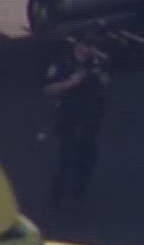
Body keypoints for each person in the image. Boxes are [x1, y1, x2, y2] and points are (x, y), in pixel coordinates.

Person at [43, 34, 108, 211]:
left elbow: (105, 84)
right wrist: (70, 82)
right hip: (69, 115)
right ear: (78, 45)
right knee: (66, 157)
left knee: (87, 156)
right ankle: (56, 197)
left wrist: (102, 79)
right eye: (88, 44)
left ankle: (79, 192)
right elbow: (48, 89)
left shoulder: (97, 62)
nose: (91, 49)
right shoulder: (63, 63)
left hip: (90, 115)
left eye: (93, 45)